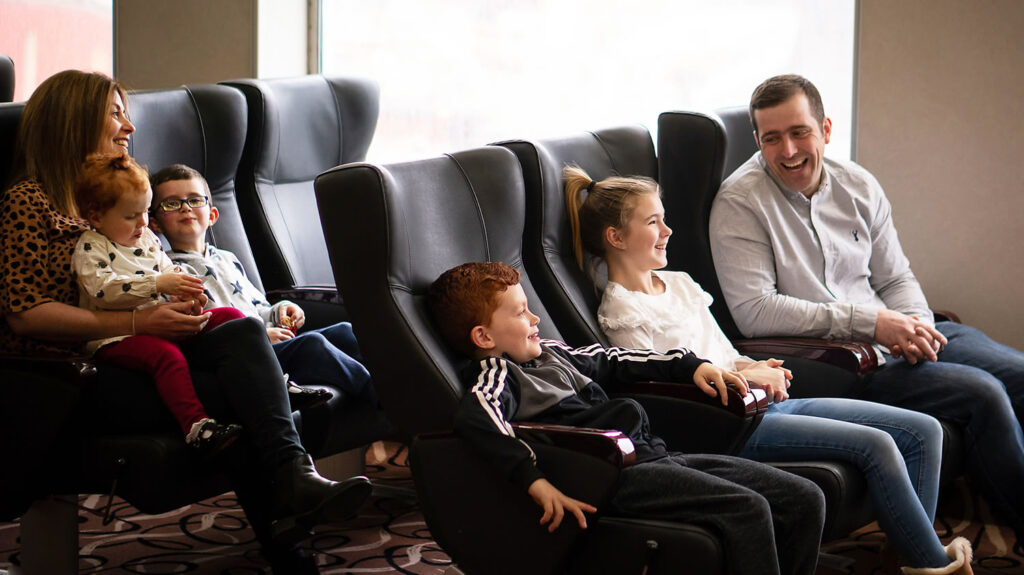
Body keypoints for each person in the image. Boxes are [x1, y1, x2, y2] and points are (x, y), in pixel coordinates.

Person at [0, 69, 369, 574]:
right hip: (72, 375)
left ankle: (294, 476)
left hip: (146, 349)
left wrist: (176, 309)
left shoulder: (112, 196)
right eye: (114, 113)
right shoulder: (28, 202)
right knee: (242, 393)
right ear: (73, 121)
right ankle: (290, 541)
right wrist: (139, 321)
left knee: (238, 329)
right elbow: (25, 315)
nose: (128, 127)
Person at [565, 165, 973, 574]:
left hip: (758, 403)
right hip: (725, 423)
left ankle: (907, 555)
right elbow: (657, 390)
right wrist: (746, 381)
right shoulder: (622, 309)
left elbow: (721, 351)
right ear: (616, 238)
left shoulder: (681, 283)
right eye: (653, 222)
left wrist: (753, 366)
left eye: (665, 219)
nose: (668, 230)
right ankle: (934, 565)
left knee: (924, 430)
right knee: (878, 444)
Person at [709, 73, 1024, 538]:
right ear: (757, 141)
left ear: (826, 129)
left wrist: (916, 329)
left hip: (898, 333)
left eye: (800, 133)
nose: (788, 151)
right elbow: (756, 311)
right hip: (843, 363)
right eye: (772, 138)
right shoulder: (739, 203)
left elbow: (895, 276)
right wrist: (872, 324)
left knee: (1017, 373)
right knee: (983, 394)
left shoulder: (857, 183)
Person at [429, 261, 826, 575]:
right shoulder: (498, 373)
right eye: (520, 313)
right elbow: (478, 418)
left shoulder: (551, 353)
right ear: (484, 338)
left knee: (805, 497)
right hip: (612, 472)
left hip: (655, 455)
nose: (534, 319)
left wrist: (688, 366)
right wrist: (534, 480)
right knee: (749, 509)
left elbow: (616, 360)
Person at [147, 163, 377, 411]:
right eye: (172, 204)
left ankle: (394, 383)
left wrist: (282, 310)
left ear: (212, 215)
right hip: (249, 358)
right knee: (313, 346)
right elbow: (203, 331)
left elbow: (258, 307)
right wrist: (260, 339)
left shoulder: (227, 258)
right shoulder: (170, 272)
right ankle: (385, 399)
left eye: (194, 200)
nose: (185, 208)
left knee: (344, 330)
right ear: (156, 224)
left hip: (272, 342)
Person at [72, 151, 245, 457]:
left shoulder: (147, 238)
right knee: (166, 356)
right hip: (117, 338)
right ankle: (196, 426)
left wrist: (186, 291)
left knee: (231, 316)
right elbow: (104, 290)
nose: (143, 223)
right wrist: (158, 284)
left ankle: (269, 383)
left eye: (144, 212)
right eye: (131, 216)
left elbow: (167, 269)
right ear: (97, 217)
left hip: (160, 322)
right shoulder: (90, 245)